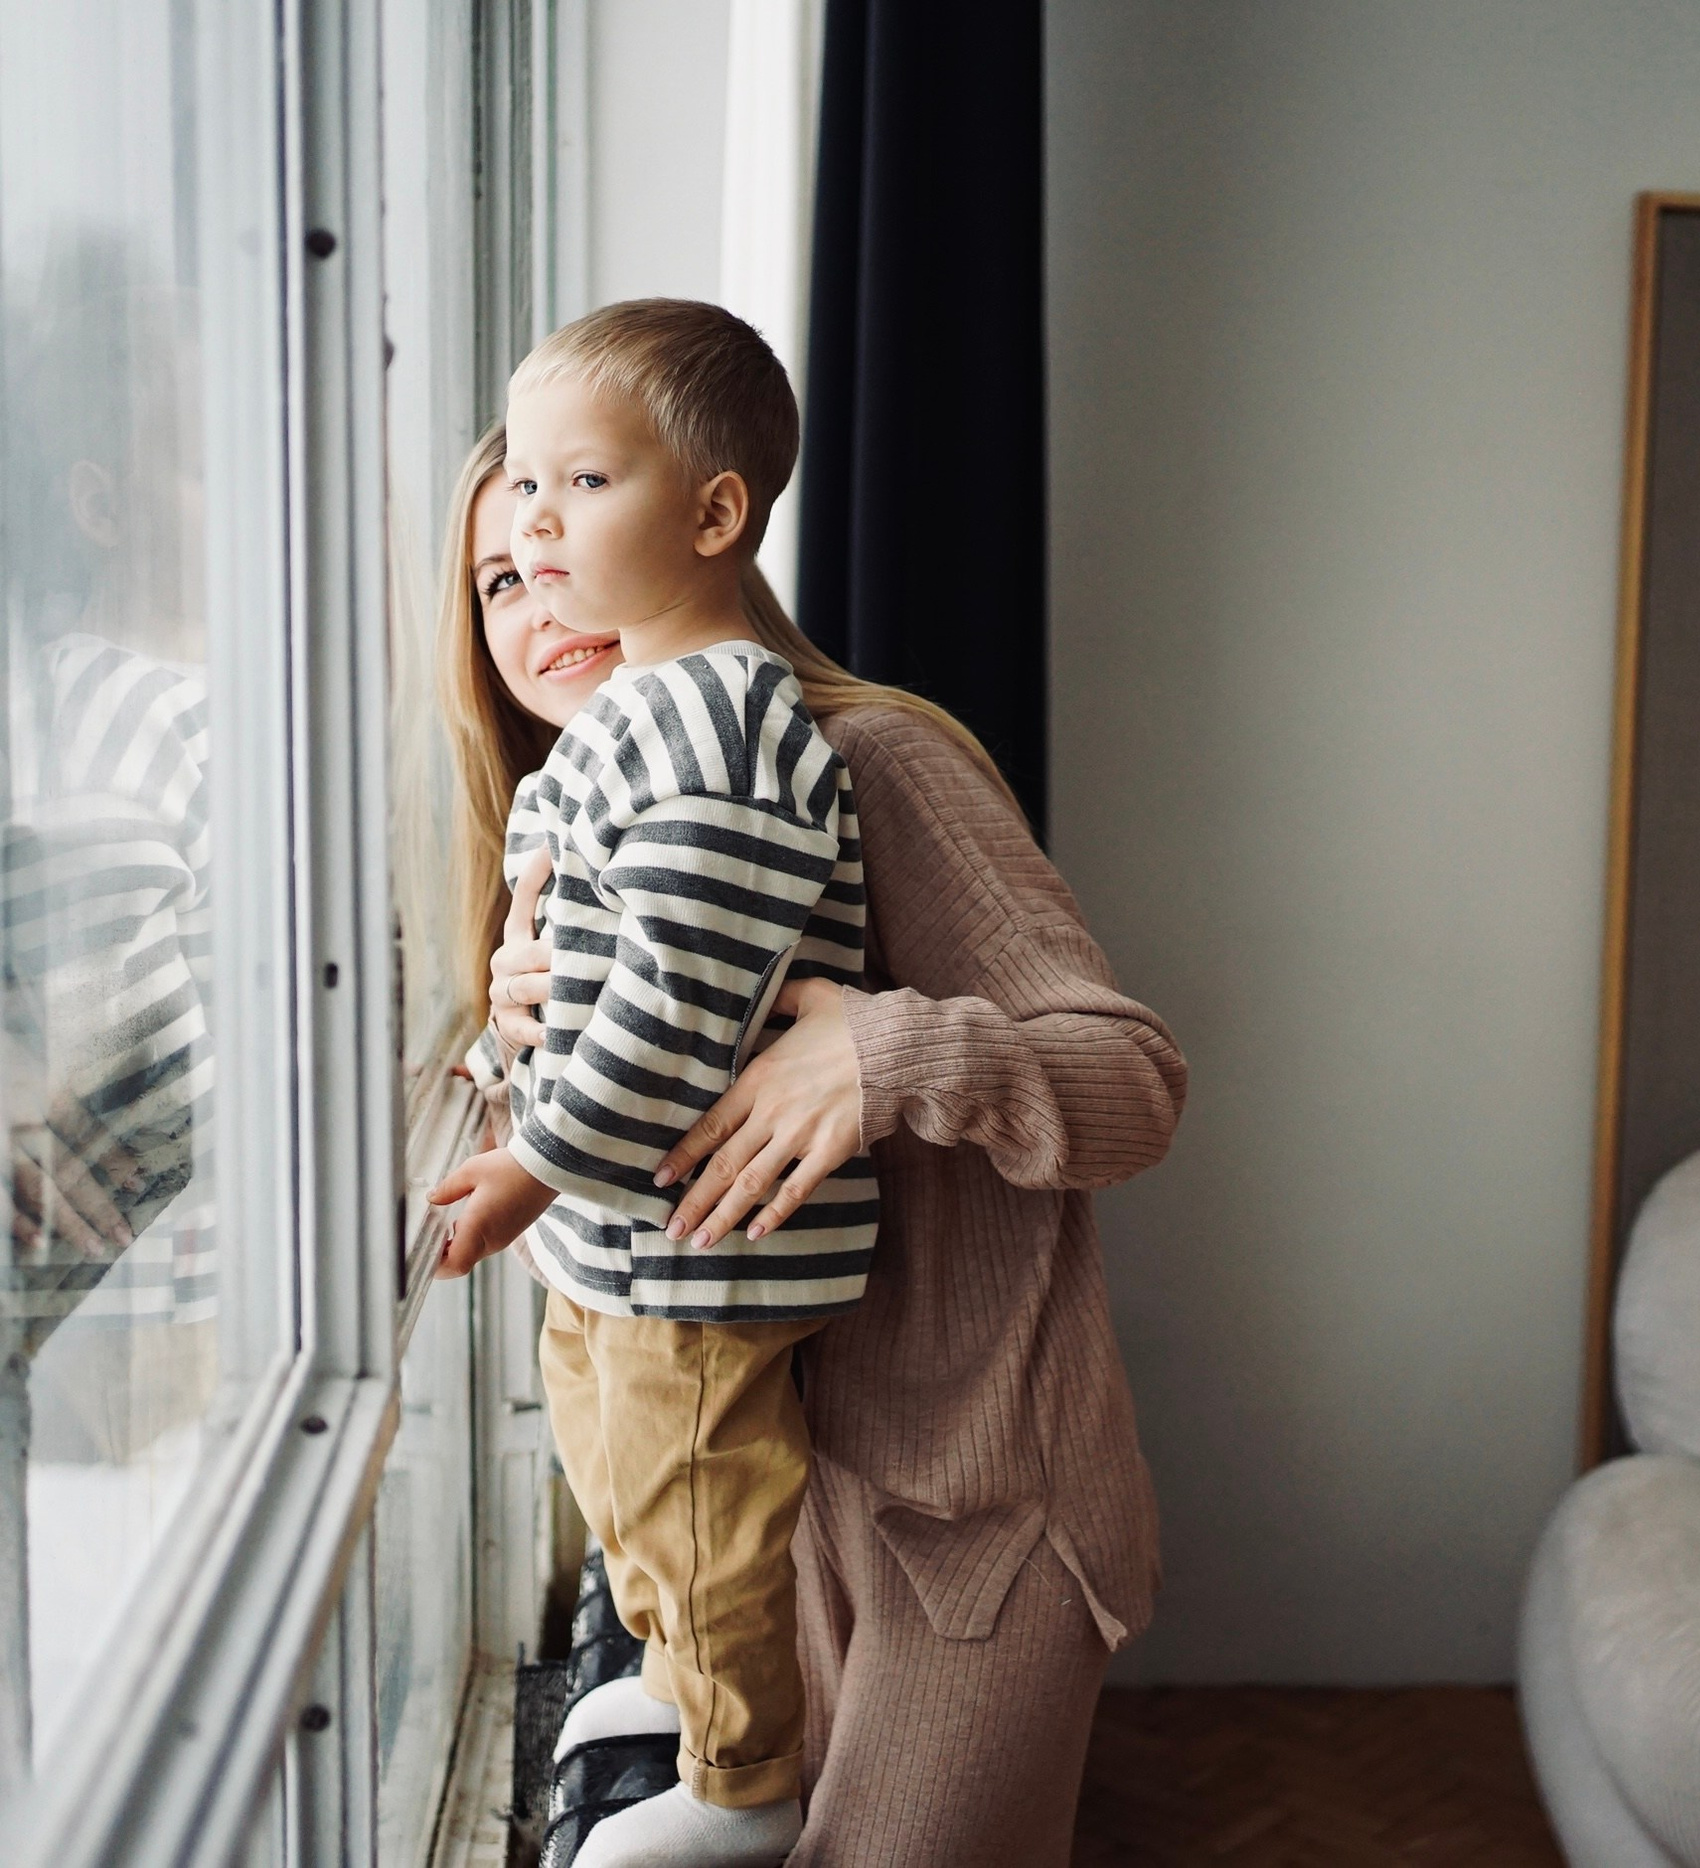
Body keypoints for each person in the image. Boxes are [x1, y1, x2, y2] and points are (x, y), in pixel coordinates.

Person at [437, 355, 1182, 1863]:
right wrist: (513, 1036)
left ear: (698, 519)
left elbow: (1136, 1087)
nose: (539, 591)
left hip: (970, 1527)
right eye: (498, 582)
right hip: (779, 1514)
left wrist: (884, 1060)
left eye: (565, 519)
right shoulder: (593, 839)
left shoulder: (863, 759)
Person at [432, 299, 875, 1867]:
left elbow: (679, 1008)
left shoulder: (729, 726)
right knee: (620, 1479)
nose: (540, 528)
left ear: (712, 515)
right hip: (618, 1236)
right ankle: (692, 1693)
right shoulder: (632, 721)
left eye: (579, 489)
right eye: (520, 505)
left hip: (689, 1238)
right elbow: (589, 958)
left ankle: (750, 1785)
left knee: (701, 1504)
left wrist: (532, 1164)